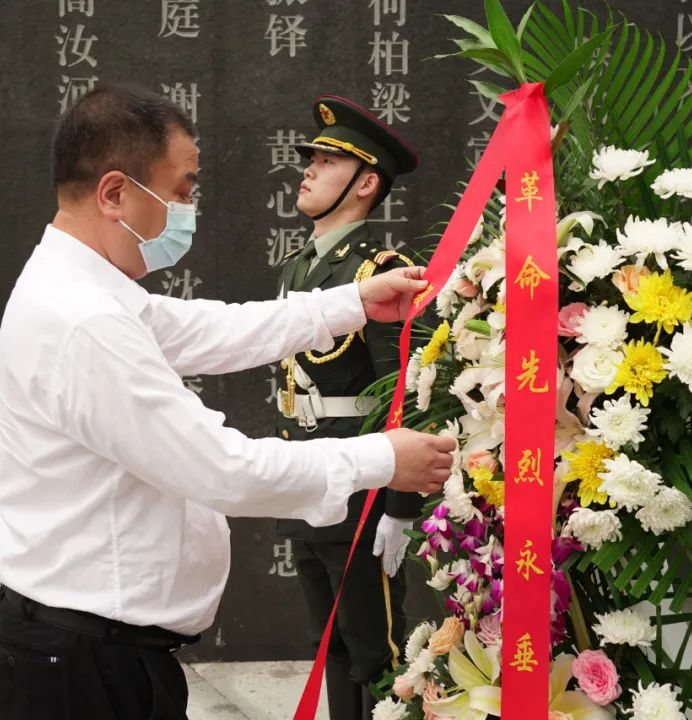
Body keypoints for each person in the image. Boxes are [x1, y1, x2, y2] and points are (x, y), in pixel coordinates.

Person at [0, 81, 456, 720]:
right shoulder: (84, 320)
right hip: (86, 665)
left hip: (94, 648)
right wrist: (381, 459)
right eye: (180, 192)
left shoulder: (86, 288)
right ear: (115, 194)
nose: (187, 210)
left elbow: (211, 329)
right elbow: (222, 469)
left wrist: (350, 303)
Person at [273, 95, 423, 719]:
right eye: (309, 158)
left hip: (361, 493)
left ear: (365, 183)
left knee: (376, 650)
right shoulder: (297, 267)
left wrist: (400, 508)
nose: (307, 169)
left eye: (326, 161)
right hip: (303, 478)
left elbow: (404, 392)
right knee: (328, 644)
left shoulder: (383, 271)